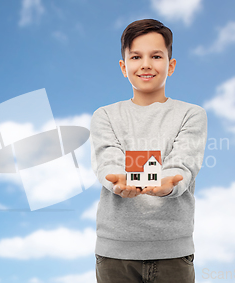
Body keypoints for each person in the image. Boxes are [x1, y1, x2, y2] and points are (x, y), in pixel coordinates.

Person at [89, 18, 208, 283]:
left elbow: (184, 161)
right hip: (114, 252)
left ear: (171, 65)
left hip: (172, 251)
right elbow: (107, 158)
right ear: (123, 67)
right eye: (135, 57)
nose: (145, 64)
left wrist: (169, 183)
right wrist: (117, 179)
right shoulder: (105, 115)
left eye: (156, 56)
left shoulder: (191, 114)